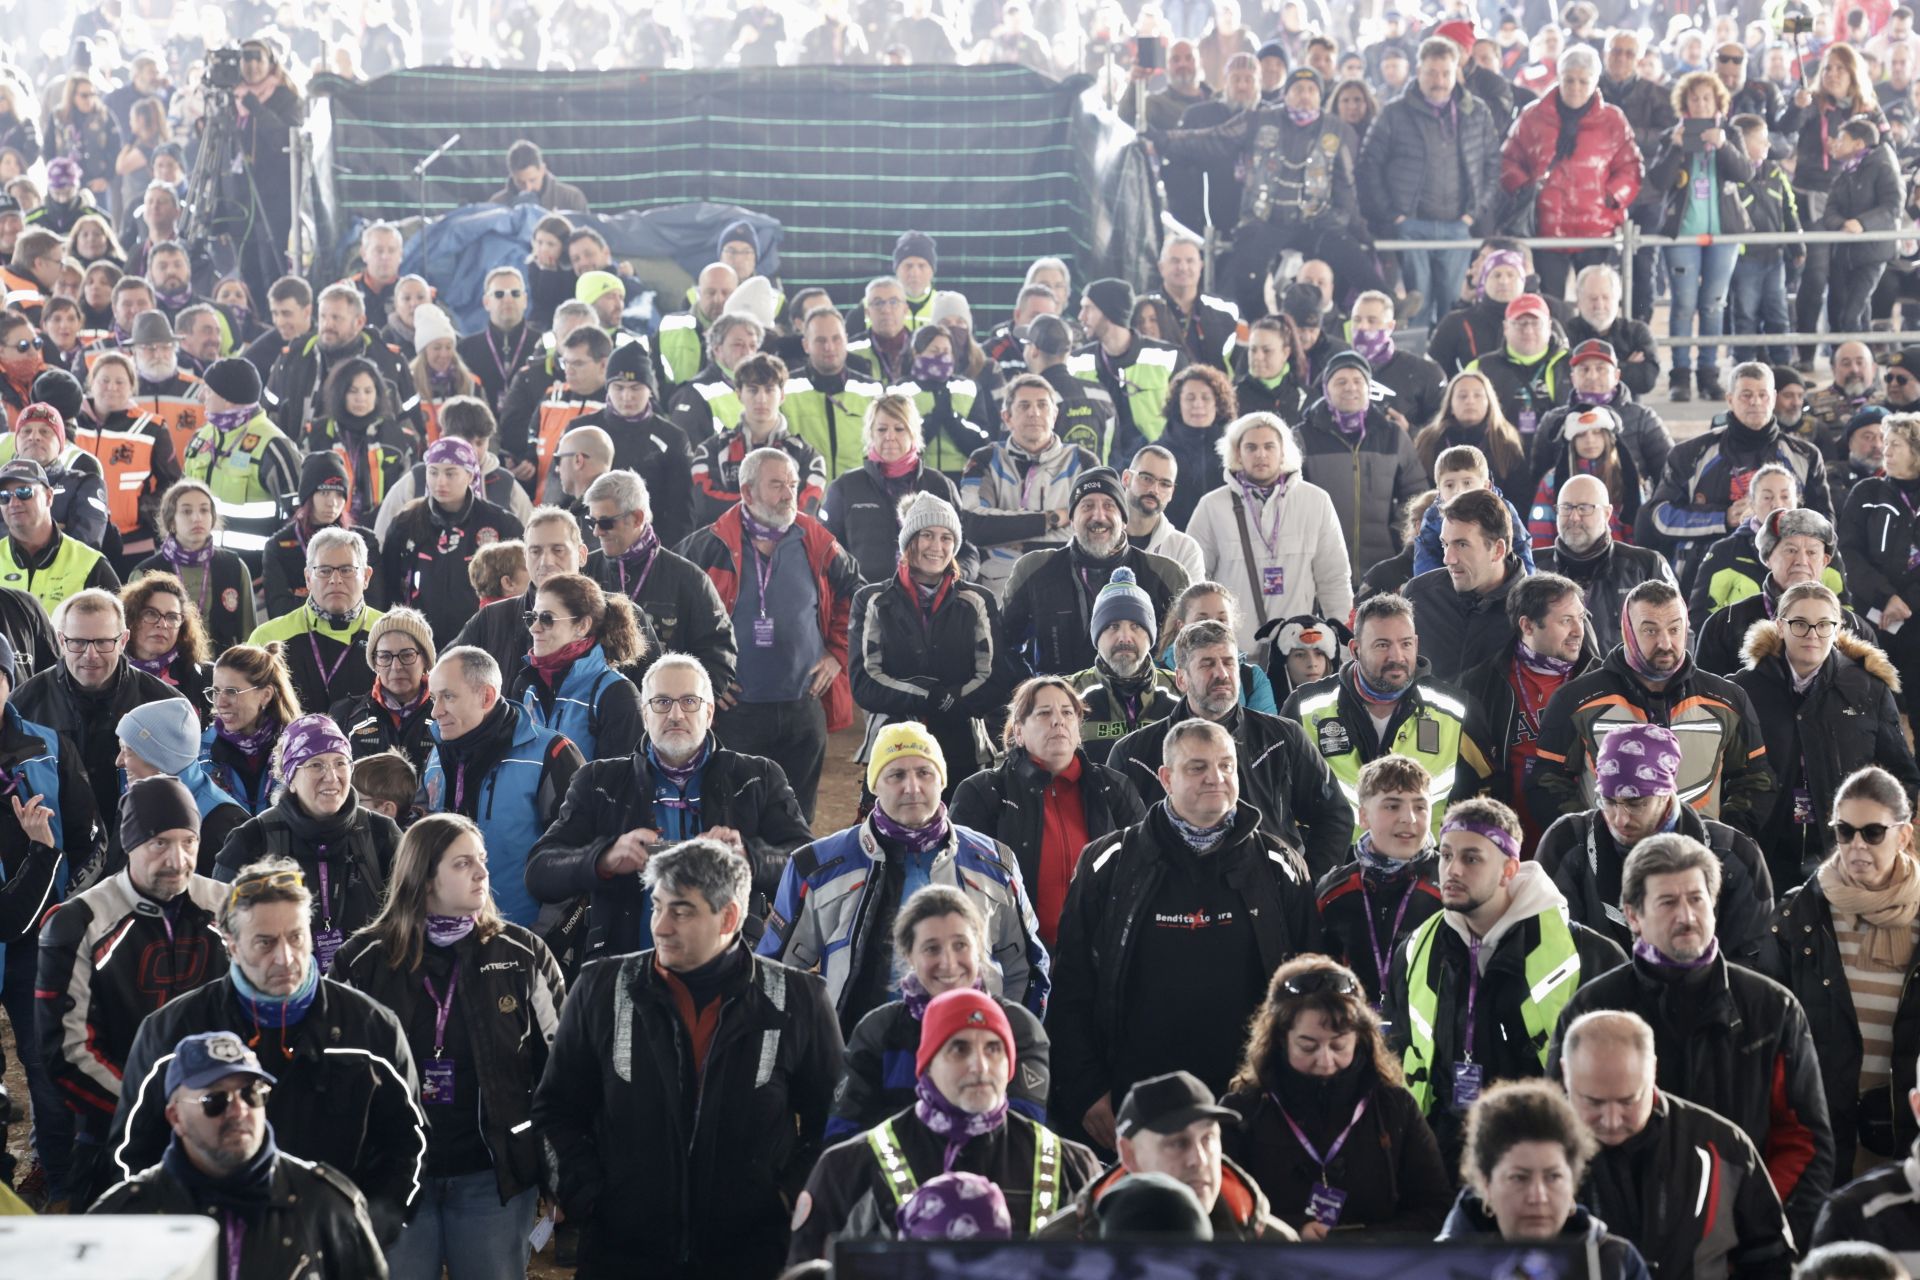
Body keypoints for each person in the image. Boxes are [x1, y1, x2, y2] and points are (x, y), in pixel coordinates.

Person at [534, 836, 839, 1277]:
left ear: (729, 917)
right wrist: (592, 1199)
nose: (660, 925)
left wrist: (786, 1202)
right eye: (657, 906)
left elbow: (834, 1123)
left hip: (751, 1259)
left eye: (681, 910)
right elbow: (555, 1112)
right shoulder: (600, 987)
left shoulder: (800, 999)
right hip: (622, 1257)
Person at [102, 856, 425, 1238]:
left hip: (331, 1246)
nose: (285, 958)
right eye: (265, 943)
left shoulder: (371, 1029)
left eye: (296, 937)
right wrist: (180, 1240)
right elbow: (130, 1152)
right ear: (232, 946)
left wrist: (367, 1230)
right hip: (213, 1247)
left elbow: (409, 1143)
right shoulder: (173, 1032)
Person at [1050, 717, 1318, 1150]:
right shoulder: (1108, 863)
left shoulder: (1279, 864)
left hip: (1254, 1105)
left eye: (1226, 766)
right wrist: (1084, 1091)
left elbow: (1309, 992)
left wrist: (1297, 1089)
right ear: (1166, 778)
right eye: (1197, 768)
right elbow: (1071, 985)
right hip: (1135, 1104)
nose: (1216, 778)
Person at [1550, 834, 1835, 1241]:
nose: (1687, 915)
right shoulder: (1591, 1010)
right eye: (1667, 902)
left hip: (1739, 1246)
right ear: (1633, 915)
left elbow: (1805, 1142)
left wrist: (1754, 1228)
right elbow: (1558, 1132)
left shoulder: (1772, 1010)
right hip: (1615, 1245)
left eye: (1697, 899)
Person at [333, 813, 564, 1280]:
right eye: (463, 864)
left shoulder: (523, 955)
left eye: (480, 861)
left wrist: (560, 1174)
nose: (482, 872)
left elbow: (563, 1071)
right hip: (392, 1179)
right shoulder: (360, 962)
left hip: (492, 1179)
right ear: (424, 876)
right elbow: (333, 1080)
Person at [526, 650, 808, 969]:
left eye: (689, 701)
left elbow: (809, 864)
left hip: (734, 971)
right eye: (661, 703)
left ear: (710, 712)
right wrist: (603, 859)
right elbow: (539, 870)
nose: (675, 715)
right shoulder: (598, 781)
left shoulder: (758, 778)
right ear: (645, 714)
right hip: (625, 968)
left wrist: (749, 858)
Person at [762, 720, 1047, 1032]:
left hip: (967, 1055)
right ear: (874, 785)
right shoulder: (815, 866)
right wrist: (809, 1055)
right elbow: (775, 973)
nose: (912, 787)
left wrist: (1007, 1042)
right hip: (855, 1056)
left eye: (924, 773)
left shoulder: (995, 862)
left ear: (942, 780)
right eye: (896, 774)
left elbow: (1028, 968)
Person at [1384, 798, 1626, 1162]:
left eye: (1472, 858)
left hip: (1548, 1159)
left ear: (1509, 869)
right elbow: (1399, 1056)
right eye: (1446, 855)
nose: (1453, 870)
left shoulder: (1591, 956)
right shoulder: (1414, 950)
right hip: (1443, 1158)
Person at [35, 776, 220, 1201]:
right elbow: (65, 1050)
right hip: (113, 1137)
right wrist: (157, 1111)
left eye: (188, 841)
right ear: (131, 843)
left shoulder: (230, 909)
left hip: (220, 1127)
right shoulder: (78, 922)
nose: (177, 859)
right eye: (159, 843)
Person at [90, 1028, 389, 1278]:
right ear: (175, 1118)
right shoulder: (123, 1217)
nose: (239, 1110)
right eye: (214, 1100)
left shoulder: (327, 1206)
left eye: (251, 1093)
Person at [1211, 956, 1453, 1236]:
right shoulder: (1241, 1111)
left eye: (1339, 1045)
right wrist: (1292, 1230)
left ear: (1361, 1038)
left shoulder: (1395, 1106)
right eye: (1308, 1046)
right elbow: (1219, 1209)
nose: (1325, 1062)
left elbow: (1436, 1208)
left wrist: (1361, 1243)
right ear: (1279, 1039)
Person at [680, 448, 859, 821]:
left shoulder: (816, 539)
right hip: (735, 713)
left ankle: (790, 881)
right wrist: (703, 678)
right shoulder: (706, 545)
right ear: (747, 492)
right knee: (732, 820)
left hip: (803, 708)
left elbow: (856, 595)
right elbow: (673, 617)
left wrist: (837, 653)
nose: (788, 494)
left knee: (796, 821)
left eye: (792, 484)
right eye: (776, 484)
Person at [1760, 765, 1920, 1174]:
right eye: (1844, 831)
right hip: (1821, 1134)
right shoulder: (1797, 915)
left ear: (1903, 834)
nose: (1856, 845)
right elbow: (1770, 1035)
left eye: (1872, 832)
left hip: (1907, 1134)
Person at [1528, 579, 1774, 840]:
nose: (1665, 643)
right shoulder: (1576, 699)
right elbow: (1546, 783)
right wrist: (1591, 840)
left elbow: (1756, 780)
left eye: (1674, 629)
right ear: (1627, 631)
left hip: (1696, 862)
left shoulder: (1728, 699)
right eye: (1650, 631)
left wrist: (1723, 839)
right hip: (1607, 864)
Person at [1561, 1009, 1794, 1280]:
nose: (1612, 1121)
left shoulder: (1721, 1146)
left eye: (1628, 1101)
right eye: (1593, 1102)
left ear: (1654, 1071)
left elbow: (1772, 1261)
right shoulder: (1532, 1151)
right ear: (1566, 1071)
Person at [1109, 619, 1351, 875]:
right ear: (1181, 678)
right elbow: (1117, 842)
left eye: (1229, 662)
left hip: (1269, 897)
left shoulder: (1282, 737)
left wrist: (1304, 884)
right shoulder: (1133, 755)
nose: (1222, 674)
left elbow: (1334, 816)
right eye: (1207, 663)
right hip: (1171, 904)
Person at [1535, 721, 1776, 962]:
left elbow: (1753, 965)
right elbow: (1550, 952)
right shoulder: (1566, 843)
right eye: (1608, 800)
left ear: (1667, 794)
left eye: (1636, 803)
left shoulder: (1735, 855)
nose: (1620, 818)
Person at [1733, 581, 1920, 890]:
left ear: (1837, 627)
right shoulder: (1744, 689)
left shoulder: (1869, 688)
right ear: (1780, 626)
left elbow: (1902, 776)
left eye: (1824, 624)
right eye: (1800, 624)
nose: (1812, 635)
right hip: (1764, 851)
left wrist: (1878, 838)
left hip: (1843, 851)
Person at [829, 884, 1052, 1142]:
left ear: (979, 948)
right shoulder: (878, 1031)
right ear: (908, 954)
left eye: (960, 945)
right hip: (891, 1180)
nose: (948, 963)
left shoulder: (1018, 1027)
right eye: (932, 949)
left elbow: (1025, 1138)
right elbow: (843, 1139)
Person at [947, 675, 1144, 948]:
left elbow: (1145, 868)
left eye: (1067, 713)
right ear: (1018, 732)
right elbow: (958, 885)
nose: (1058, 721)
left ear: (1078, 727)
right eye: (1043, 713)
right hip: (1013, 956)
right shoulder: (983, 792)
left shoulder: (1113, 787)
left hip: (1099, 954)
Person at [1285, 593, 1490, 842]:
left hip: (1427, 867)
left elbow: (1486, 794)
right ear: (1355, 649)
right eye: (1382, 645)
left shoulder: (1456, 709)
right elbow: (1282, 795)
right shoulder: (1305, 707)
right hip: (1336, 868)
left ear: (1416, 643)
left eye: (1405, 644)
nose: (1397, 657)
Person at [849, 492, 1014, 796]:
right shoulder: (872, 600)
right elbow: (865, 683)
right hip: (893, 745)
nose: (936, 546)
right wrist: (931, 696)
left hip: (963, 746)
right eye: (926, 535)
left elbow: (994, 679)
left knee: (962, 835)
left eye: (946, 537)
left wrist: (950, 699)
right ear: (909, 540)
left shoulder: (978, 600)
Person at [212, 713, 400, 975]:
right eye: (316, 765)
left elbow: (412, 921)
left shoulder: (381, 834)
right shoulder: (252, 840)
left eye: (340, 763)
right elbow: (223, 937)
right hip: (282, 992)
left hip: (369, 994)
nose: (332, 777)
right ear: (290, 777)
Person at [1037, 1063, 1299, 1242]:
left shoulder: (1274, 1245)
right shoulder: (1062, 1245)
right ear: (1129, 1155)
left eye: (1208, 1139)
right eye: (1178, 1143)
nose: (1200, 1159)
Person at [419, 647, 584, 930]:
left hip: (523, 941)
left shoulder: (551, 754)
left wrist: (543, 942)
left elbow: (574, 860)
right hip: (447, 943)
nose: (436, 711)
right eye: (434, 698)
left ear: (486, 696)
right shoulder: (435, 757)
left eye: (448, 696)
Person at [1642, 362, 1832, 591]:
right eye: (1746, 395)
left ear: (1773, 398)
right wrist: (1724, 517)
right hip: (1704, 573)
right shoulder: (1691, 453)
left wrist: (1784, 518)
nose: (1755, 402)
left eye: (1762, 395)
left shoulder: (1805, 455)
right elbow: (1660, 516)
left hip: (1785, 575)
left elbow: (1826, 523)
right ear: (1730, 399)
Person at [1438, 1079, 1653, 1279]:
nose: (1538, 1196)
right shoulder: (1434, 1267)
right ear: (1486, 1185)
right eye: (1519, 1178)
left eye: (1553, 1177)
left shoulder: (1617, 1264)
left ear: (1573, 1182)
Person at [1359, 38, 1502, 334]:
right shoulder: (1393, 112)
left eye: (1445, 73)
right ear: (1418, 71)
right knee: (1418, 303)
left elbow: (1492, 164)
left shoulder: (1477, 112)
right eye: (1432, 73)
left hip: (1457, 224)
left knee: (1452, 302)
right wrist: (1394, 214)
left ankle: (1448, 366)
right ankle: (1416, 368)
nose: (1439, 81)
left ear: (1456, 73)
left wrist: (1473, 213)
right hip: (1411, 224)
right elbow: (1369, 164)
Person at [1188, 413, 1354, 657]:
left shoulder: (1315, 501)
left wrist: (1344, 651)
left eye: (1269, 446)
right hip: (1233, 655)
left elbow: (1335, 580)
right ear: (1237, 453)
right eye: (1251, 447)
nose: (1261, 454)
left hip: (1299, 653)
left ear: (1283, 451)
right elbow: (1194, 585)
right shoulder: (1212, 506)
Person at [14, 588, 179, 828]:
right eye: (78, 642)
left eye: (103, 642)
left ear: (123, 641)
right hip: (53, 846)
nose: (90, 655)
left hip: (137, 845)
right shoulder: (23, 705)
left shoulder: (162, 704)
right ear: (61, 641)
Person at [1002, 467, 1189, 678]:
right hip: (1061, 705)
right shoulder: (1035, 570)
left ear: (1124, 519)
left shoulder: (1166, 574)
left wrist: (1159, 694)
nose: (1098, 516)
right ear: (1072, 520)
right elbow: (1004, 646)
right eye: (1087, 506)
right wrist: (1035, 692)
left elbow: (1187, 651)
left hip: (1142, 706)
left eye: (1109, 506)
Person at [1454, 573, 1595, 851]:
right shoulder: (1479, 685)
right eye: (1566, 620)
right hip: (1503, 843)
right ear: (1527, 625)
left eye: (1581, 617)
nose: (1578, 630)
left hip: (1579, 843)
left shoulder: (1600, 681)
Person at [1496, 46, 1643, 299]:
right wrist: (1523, 188)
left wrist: (1611, 197)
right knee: (1549, 302)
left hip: (1598, 230)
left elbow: (1631, 167)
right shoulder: (1533, 116)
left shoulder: (1613, 120)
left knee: (1596, 299)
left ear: (1595, 82)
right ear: (1559, 77)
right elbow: (1508, 159)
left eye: (1583, 81)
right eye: (1569, 80)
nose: (1575, 87)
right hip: (1546, 228)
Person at [582, 468, 737, 694]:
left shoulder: (689, 579)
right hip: (596, 714)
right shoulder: (583, 573)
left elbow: (718, 653)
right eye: (591, 522)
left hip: (666, 715)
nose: (596, 532)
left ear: (637, 518)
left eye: (605, 523)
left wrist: (691, 703)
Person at [1648, 72, 1750, 402]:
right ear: (1685, 103)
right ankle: (1680, 376)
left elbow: (1746, 173)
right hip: (1683, 234)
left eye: (1707, 97)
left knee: (1713, 305)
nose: (1701, 103)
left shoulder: (1731, 132)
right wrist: (1677, 147)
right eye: (1695, 98)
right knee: (1683, 305)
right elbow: (1659, 181)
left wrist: (1722, 145)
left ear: (1718, 101)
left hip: (1723, 234)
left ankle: (1709, 374)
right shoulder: (1671, 135)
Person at [958, 373, 1099, 597]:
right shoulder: (984, 459)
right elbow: (974, 526)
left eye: (1042, 405)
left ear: (1054, 414)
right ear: (1007, 417)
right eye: (1024, 406)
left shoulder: (1083, 461)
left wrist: (1014, 536)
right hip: (999, 583)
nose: (1034, 412)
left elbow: (1093, 528)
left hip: (1066, 577)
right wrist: (1053, 518)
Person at [1295, 351, 1428, 577]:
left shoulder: (1392, 435)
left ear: (1369, 389)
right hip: (1320, 565)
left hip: (1382, 566)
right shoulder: (1302, 437)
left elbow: (1416, 492)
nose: (1350, 387)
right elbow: (1291, 498)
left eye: (1358, 381)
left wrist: (1397, 534)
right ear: (1327, 389)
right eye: (1341, 381)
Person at [381, 437, 524, 647]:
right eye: (433, 472)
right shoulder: (406, 523)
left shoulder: (500, 523)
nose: (440, 481)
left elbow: (522, 584)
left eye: (450, 473)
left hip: (483, 636)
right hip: (419, 637)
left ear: (470, 474)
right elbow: (388, 584)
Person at [1695, 507, 1871, 677]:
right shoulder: (1726, 624)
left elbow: (1876, 701)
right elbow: (1705, 700)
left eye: (1811, 552)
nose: (1801, 561)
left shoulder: (1855, 629)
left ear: (1825, 561)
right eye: (1791, 550)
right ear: (1768, 557)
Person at [819, 396, 972, 585]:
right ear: (871, 434)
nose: (889, 436)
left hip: (931, 605)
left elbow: (967, 550)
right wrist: (854, 592)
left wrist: (955, 579)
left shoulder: (939, 484)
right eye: (882, 429)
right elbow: (826, 551)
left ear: (913, 433)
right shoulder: (845, 486)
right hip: (864, 603)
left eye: (899, 429)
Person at [249, 526, 384, 714]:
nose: (335, 579)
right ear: (308, 578)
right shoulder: (268, 637)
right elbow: (249, 710)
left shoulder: (390, 633)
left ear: (367, 577)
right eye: (324, 570)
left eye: (347, 570)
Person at [1535, 472, 1674, 655]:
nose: (1574, 517)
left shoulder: (1646, 565)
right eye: (1566, 507)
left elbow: (1678, 631)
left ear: (1607, 513)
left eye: (1584, 508)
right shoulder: (1532, 567)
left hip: (1625, 681)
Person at [1402, 490, 1529, 683]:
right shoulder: (1419, 597)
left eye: (1461, 545)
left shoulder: (1538, 607)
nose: (1448, 558)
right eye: (1445, 544)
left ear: (1498, 550)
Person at [182, 357, 302, 550]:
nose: (201, 396)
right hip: (201, 561)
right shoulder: (200, 439)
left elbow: (300, 518)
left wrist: (275, 570)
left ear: (228, 400)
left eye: (209, 391)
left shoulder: (274, 446)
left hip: (255, 569)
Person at [1842, 412, 1920, 704]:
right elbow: (1848, 551)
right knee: (1872, 701)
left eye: (1895, 444)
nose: (1885, 450)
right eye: (1885, 443)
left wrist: (1907, 602)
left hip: (1916, 616)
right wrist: (1886, 597)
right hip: (1873, 616)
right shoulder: (1867, 492)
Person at [116, 698, 245, 867]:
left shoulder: (222, 826)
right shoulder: (141, 804)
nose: (118, 762)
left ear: (160, 759)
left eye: (128, 751)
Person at [299, 354, 424, 526]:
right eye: (353, 391)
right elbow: (303, 487)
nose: (361, 398)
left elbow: (409, 492)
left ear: (378, 394)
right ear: (340, 393)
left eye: (368, 391)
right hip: (327, 527)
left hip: (384, 527)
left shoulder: (400, 437)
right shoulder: (316, 434)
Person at [132, 479, 255, 652]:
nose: (197, 518)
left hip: (222, 671)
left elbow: (250, 636)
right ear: (171, 521)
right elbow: (133, 637)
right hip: (163, 672)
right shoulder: (145, 573)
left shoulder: (234, 567)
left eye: (204, 510)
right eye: (186, 511)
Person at [0, 456, 120, 612]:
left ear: (49, 497)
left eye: (24, 491)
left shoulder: (90, 564)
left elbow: (122, 628)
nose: (14, 503)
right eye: (4, 496)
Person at [196, 643, 302, 818]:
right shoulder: (201, 751)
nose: (220, 703)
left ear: (265, 695)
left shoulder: (299, 747)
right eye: (215, 691)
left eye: (231, 692)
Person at [331, 608, 437, 777]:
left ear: (425, 659)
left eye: (407, 655)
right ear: (375, 663)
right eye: (385, 656)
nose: (396, 666)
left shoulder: (445, 716)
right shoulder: (345, 714)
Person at [1468, 295, 1574, 444]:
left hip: (1558, 456)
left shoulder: (1573, 365)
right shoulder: (1480, 368)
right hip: (1499, 456)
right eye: (1520, 323)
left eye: (1535, 323)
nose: (1528, 330)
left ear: (1549, 327)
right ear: (1506, 328)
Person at [1417, 369, 1534, 503]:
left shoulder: (1506, 441)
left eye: (1477, 395)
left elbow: (1520, 495)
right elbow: (1419, 487)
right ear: (1450, 405)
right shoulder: (1429, 440)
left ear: (1489, 403)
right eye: (1462, 396)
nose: (1470, 401)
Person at [118, 570, 212, 712]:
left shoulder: (206, 678)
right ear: (130, 618)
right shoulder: (108, 674)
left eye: (172, 617)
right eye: (150, 613)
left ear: (183, 626)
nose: (162, 624)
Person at [1564, 264, 1661, 400]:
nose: (1599, 305)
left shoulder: (1637, 331)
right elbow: (1564, 379)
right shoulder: (1565, 333)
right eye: (1593, 298)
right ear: (1579, 300)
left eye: (1605, 297)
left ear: (1617, 298)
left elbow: (1646, 380)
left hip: (1626, 416)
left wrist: (1587, 369)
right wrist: (1625, 366)